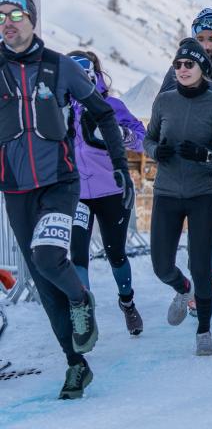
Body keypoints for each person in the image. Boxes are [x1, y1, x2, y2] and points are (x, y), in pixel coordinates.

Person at [0, 0, 134, 399]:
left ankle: (81, 298)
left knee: (48, 257)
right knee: (42, 281)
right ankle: (77, 365)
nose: (6, 23)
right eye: (0, 16)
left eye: (15, 15)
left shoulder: (60, 68)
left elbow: (103, 112)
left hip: (60, 184)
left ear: (32, 20)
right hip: (16, 188)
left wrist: (118, 163)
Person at [144, 39, 212, 356]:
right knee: (160, 265)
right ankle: (182, 290)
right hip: (167, 192)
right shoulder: (164, 101)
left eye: (188, 64)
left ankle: (204, 331)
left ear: (202, 69)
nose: (182, 69)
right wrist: (156, 151)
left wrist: (204, 155)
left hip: (202, 193)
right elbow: (148, 139)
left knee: (201, 267)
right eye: (177, 64)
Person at [159, 9, 212, 298]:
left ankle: (203, 282)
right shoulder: (179, 69)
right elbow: (162, 108)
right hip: (187, 157)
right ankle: (198, 277)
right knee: (196, 225)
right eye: (200, 38)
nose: (207, 44)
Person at [67, 51, 146, 336]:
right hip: (77, 195)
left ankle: (127, 302)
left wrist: (123, 136)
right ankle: (83, 313)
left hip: (112, 190)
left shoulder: (110, 105)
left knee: (116, 254)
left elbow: (142, 138)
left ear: (93, 75)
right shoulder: (59, 109)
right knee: (78, 254)